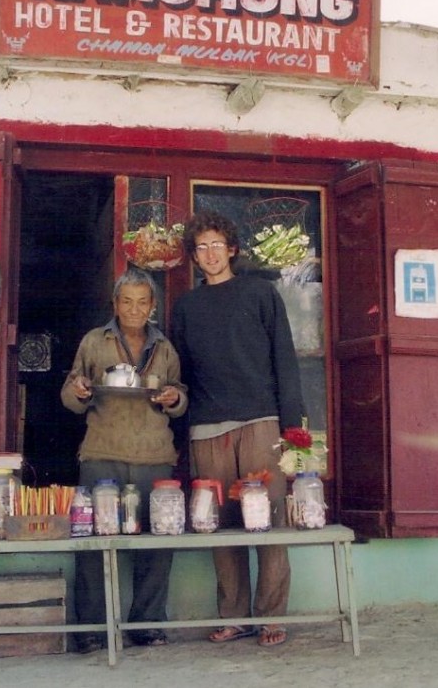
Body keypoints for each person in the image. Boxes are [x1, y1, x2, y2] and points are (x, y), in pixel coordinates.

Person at [171, 210, 304, 648]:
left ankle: (270, 617)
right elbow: (182, 373)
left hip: (260, 421)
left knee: (267, 520)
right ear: (193, 256)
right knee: (220, 525)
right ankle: (234, 616)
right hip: (207, 427)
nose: (209, 254)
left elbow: (284, 359)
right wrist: (179, 431)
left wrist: (292, 426)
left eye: (216, 245)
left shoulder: (260, 293)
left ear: (232, 249)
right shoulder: (187, 306)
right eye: (200, 247)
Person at [61, 268, 187, 654]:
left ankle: (146, 624)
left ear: (152, 306)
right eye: (126, 301)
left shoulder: (165, 348)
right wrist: (80, 389)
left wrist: (172, 398)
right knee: (95, 543)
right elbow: (70, 394)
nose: (134, 309)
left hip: (154, 456)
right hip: (102, 452)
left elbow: (181, 398)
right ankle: (92, 628)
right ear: (115, 304)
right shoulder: (94, 342)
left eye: (142, 302)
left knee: (156, 542)